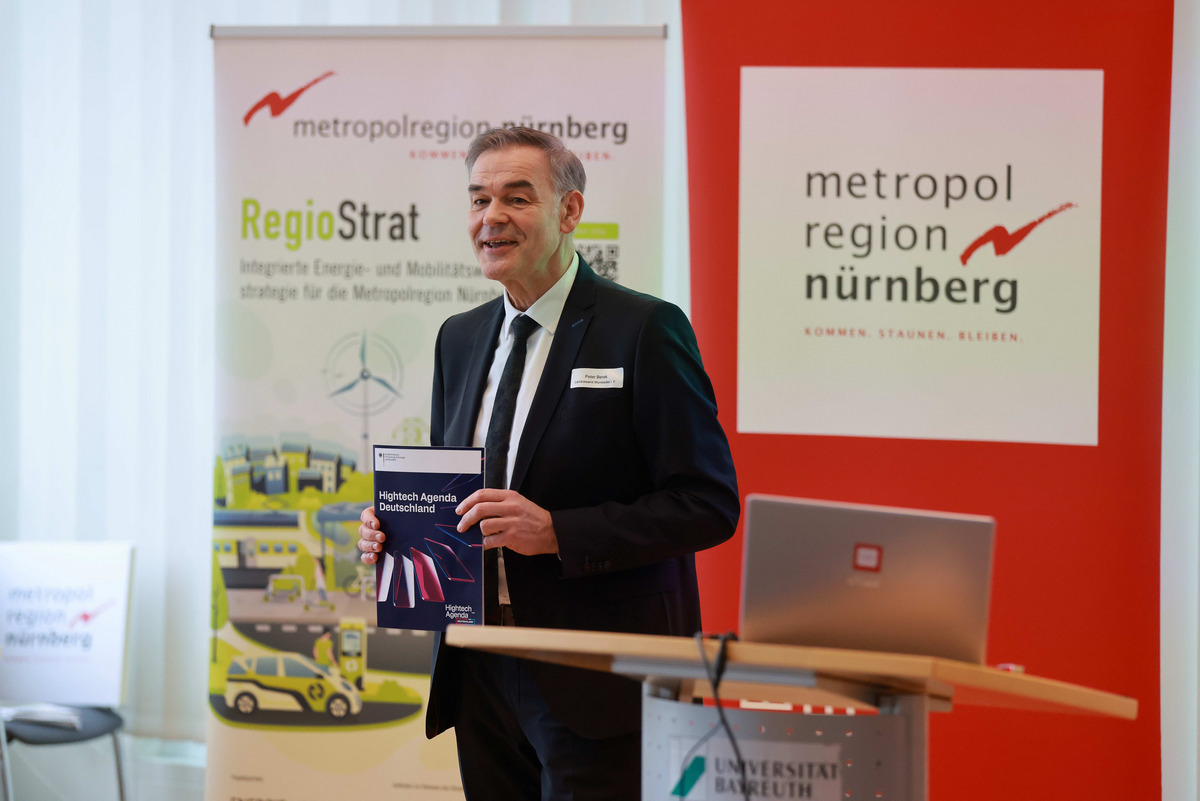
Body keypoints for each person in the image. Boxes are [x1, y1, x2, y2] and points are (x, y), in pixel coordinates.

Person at [357, 127, 738, 800]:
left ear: (569, 211)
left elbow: (707, 503)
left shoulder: (643, 329)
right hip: (478, 665)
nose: (492, 217)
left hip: (598, 675)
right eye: (479, 199)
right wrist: (397, 530)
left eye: (517, 197)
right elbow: (455, 493)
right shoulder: (459, 338)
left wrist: (559, 531)